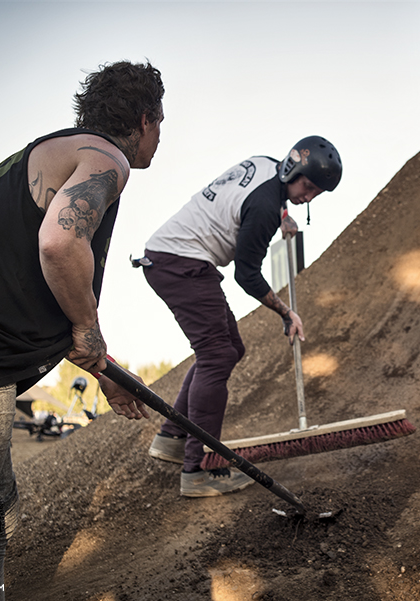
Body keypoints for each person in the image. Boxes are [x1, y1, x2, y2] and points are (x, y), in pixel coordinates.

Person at [0, 61, 164, 599]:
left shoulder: (42, 155)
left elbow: (27, 299)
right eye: (161, 124)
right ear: (144, 119)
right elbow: (60, 245)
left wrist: (105, 371)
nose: (159, 137)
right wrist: (89, 328)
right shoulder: (105, 158)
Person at [139, 136, 342, 498]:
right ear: (293, 170)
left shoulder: (267, 165)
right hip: (180, 262)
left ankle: (173, 436)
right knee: (216, 355)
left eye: (316, 193)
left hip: (174, 257)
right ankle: (198, 469)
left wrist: (283, 216)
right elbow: (246, 276)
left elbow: (262, 197)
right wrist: (285, 312)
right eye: (308, 187)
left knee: (229, 349)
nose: (309, 197)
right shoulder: (264, 207)